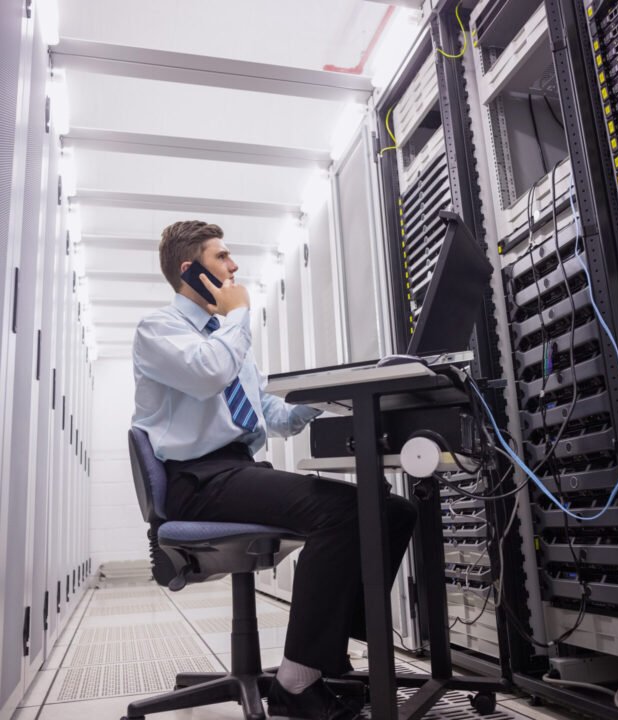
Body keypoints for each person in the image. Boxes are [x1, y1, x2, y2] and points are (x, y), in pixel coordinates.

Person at [132, 220, 417, 720]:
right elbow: (208, 374)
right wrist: (239, 313)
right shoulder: (160, 331)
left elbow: (274, 417)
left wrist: (327, 397)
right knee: (343, 513)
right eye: (222, 257)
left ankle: (327, 661)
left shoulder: (228, 339)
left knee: (392, 511)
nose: (234, 266)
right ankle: (296, 681)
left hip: (237, 471)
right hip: (197, 481)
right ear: (190, 271)